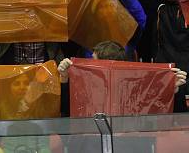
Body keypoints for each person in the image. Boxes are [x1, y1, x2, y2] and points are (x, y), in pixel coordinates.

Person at [58, 40, 187, 112]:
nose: (89, 65)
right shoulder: (87, 88)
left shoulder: (137, 89)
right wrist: (64, 79)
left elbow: (166, 116)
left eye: (93, 61)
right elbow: (66, 113)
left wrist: (173, 90)